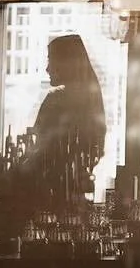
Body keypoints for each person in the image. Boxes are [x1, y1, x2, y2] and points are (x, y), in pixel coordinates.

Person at [19, 33, 108, 208]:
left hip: (45, 197)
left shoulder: (55, 101)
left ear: (66, 64)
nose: (47, 69)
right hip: (75, 198)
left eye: (51, 61)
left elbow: (37, 147)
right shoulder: (91, 101)